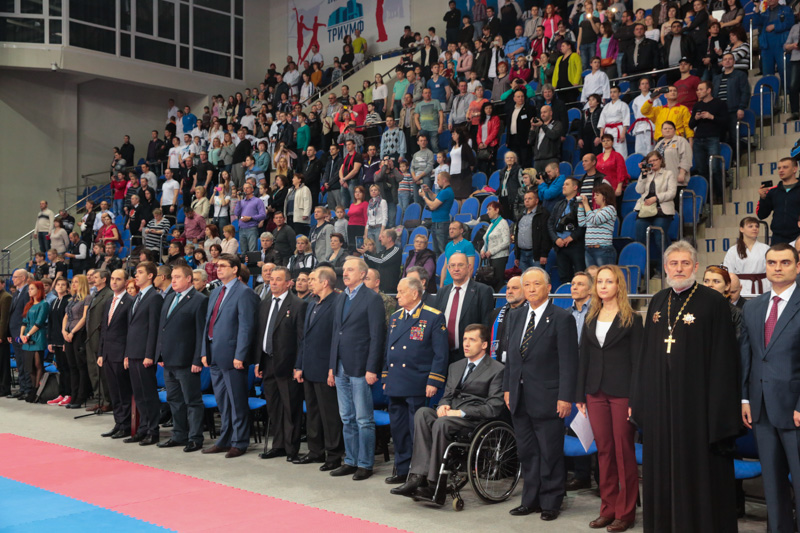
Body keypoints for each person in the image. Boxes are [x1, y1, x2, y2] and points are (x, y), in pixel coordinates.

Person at [631, 240, 740, 532]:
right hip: (661, 407)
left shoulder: (713, 302)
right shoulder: (658, 301)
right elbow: (645, 356)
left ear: (695, 266)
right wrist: (640, 399)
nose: (679, 269)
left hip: (698, 408)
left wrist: (718, 410)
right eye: (673, 264)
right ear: (666, 268)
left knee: (698, 472)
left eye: (685, 263)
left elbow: (725, 358)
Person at [392, 323, 506, 501]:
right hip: (451, 415)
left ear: (484, 344)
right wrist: (443, 406)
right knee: (423, 413)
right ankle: (418, 476)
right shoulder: (456, 366)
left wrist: (460, 412)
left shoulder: (497, 369)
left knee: (442, 422)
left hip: (474, 421)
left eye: (472, 340)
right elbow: (447, 396)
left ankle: (435, 483)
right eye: (465, 339)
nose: (466, 344)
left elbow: (493, 407)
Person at [503, 266, 578, 520]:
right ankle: (530, 500)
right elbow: (512, 358)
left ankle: (551, 502)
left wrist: (565, 396)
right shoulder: (515, 315)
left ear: (548, 287)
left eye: (537, 284)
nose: (531, 289)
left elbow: (569, 362)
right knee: (527, 452)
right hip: (519, 395)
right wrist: (507, 388)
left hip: (549, 397)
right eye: (527, 285)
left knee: (550, 452)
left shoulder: (562, 318)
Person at [574, 265, 642, 532]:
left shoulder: (632, 318)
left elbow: (638, 362)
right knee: (604, 451)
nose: (603, 286)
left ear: (618, 286)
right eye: (599, 281)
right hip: (595, 392)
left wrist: (635, 399)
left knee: (623, 451)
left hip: (622, 393)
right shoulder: (591, 317)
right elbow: (584, 357)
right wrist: (580, 394)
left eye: (608, 281)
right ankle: (608, 509)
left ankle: (626, 512)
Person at [740, 243, 800, 533]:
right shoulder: (753, 306)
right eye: (772, 263)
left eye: (785, 262)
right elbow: (747, 356)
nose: (777, 268)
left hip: (795, 410)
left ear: (797, 267)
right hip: (761, 408)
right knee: (773, 485)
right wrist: (744, 399)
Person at [382, 277, 449, 486]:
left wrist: (434, 381)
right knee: (399, 429)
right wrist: (385, 375)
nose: (397, 296)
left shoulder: (433, 316)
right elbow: (388, 349)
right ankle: (402, 469)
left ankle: (417, 473)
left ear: (414, 293)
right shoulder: (396, 317)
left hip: (417, 381)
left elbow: (440, 354)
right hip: (396, 381)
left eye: (401, 292)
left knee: (415, 431)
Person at [328, 257, 386, 480]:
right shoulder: (341, 297)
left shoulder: (372, 298)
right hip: (340, 366)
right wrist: (332, 366)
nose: (345, 273)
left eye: (350, 270)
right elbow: (336, 333)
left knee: (363, 419)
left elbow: (377, 336)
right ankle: (350, 460)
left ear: (363, 274)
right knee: (347, 417)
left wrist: (372, 368)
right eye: (344, 270)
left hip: (361, 367)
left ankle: (365, 463)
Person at [201, 254, 259, 457]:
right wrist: (204, 351)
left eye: (223, 266)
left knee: (237, 401)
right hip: (214, 353)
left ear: (235, 269)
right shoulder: (217, 291)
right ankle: (225, 439)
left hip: (233, 355)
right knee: (223, 402)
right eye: (217, 266)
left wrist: (240, 355)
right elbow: (208, 323)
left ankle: (240, 442)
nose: (219, 269)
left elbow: (246, 327)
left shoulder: (244, 293)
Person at [254, 267, 307, 462]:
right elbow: (261, 333)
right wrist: (258, 361)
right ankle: (278, 445)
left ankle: (292, 449)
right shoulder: (265, 302)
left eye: (278, 279)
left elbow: (301, 339)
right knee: (274, 407)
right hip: (267, 362)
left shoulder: (298, 305)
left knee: (290, 408)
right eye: (271, 279)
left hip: (288, 364)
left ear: (288, 283)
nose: (273, 282)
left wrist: (298, 365)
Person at [153, 265, 209, 451]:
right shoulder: (169, 297)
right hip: (168, 360)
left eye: (177, 277)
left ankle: (195, 438)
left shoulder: (199, 300)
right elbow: (163, 328)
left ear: (188, 279)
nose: (174, 280)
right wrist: (160, 353)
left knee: (192, 401)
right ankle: (179, 435)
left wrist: (197, 359)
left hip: (187, 360)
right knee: (174, 400)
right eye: (173, 277)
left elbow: (201, 332)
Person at [293, 267, 344, 469]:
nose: (309, 282)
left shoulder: (337, 303)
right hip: (309, 366)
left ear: (325, 282)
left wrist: (333, 368)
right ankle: (316, 451)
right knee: (313, 412)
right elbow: (304, 339)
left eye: (313, 279)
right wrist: (299, 365)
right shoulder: (312, 303)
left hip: (325, 368)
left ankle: (334, 454)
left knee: (329, 414)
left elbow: (336, 340)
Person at [122, 262, 164, 446]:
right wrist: (127, 353)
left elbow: (154, 329)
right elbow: (131, 329)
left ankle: (153, 430)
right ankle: (142, 428)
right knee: (138, 394)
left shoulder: (155, 297)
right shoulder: (136, 297)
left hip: (145, 354)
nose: (136, 275)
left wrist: (150, 354)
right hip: (133, 352)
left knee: (148, 394)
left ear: (150, 276)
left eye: (140, 272)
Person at [433, 252, 494, 363]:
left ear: (469, 267)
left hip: (470, 356)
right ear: (448, 268)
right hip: (443, 355)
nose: (456, 269)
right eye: (452, 265)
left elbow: (486, 325)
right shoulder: (442, 292)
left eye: (460, 265)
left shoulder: (483, 291)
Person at [96, 269, 132, 438]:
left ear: (126, 282)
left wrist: (127, 354)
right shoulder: (109, 301)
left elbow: (130, 331)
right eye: (112, 279)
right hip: (108, 353)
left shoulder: (130, 301)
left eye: (118, 279)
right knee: (114, 392)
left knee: (123, 391)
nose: (114, 282)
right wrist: (101, 353)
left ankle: (126, 425)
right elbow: (104, 329)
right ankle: (118, 423)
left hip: (121, 353)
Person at [634, 151, 676, 269]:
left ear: (660, 160)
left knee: (659, 236)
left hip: (662, 210)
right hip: (645, 210)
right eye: (650, 161)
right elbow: (639, 190)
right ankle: (644, 267)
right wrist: (643, 175)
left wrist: (656, 198)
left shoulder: (668, 174)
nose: (652, 163)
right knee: (640, 235)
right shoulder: (646, 173)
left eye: (655, 160)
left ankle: (663, 267)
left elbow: (672, 193)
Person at [689, 81, 728, 198]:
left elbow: (725, 121)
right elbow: (691, 125)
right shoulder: (697, 105)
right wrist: (696, 118)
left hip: (712, 138)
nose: (698, 92)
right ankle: (707, 197)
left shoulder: (719, 103)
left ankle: (721, 195)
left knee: (715, 168)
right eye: (697, 90)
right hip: (698, 140)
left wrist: (711, 117)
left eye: (701, 89)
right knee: (701, 169)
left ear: (709, 90)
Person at [85, 270, 113, 413]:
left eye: (96, 277)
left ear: (104, 279)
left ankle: (107, 401)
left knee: (102, 373)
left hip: (100, 337)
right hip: (91, 337)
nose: (93, 279)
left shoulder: (108, 294)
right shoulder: (95, 294)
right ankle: (98, 399)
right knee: (93, 371)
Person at [549, 177, 587, 282]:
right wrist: (556, 239)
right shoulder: (559, 204)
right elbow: (550, 223)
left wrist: (571, 237)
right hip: (560, 246)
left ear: (575, 187)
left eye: (567, 184)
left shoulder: (581, 203)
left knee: (580, 275)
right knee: (564, 277)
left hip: (576, 245)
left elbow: (584, 224)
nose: (563, 186)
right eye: (563, 184)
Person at [723, 216, 771, 296]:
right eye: (750, 226)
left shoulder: (766, 248)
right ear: (741, 229)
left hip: (763, 286)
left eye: (757, 226)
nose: (755, 228)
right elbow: (728, 273)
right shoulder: (733, 250)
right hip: (741, 286)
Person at [61, 275, 90, 408]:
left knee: (80, 366)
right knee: (72, 366)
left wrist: (72, 332)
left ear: (82, 283)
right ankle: (73, 395)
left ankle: (81, 396)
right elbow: (66, 316)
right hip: (68, 334)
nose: (73, 284)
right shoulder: (72, 299)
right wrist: (64, 331)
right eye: (72, 282)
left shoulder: (87, 298)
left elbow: (84, 317)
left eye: (77, 282)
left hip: (79, 334)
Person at [757, 157, 800, 244]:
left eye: (785, 167)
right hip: (778, 238)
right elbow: (761, 215)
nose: (781, 170)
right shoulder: (772, 191)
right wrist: (763, 198)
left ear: (795, 169)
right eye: (779, 168)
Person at [19, 281, 49, 402]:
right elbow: (24, 321)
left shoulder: (44, 304)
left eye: (32, 289)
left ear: (39, 290)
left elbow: (39, 322)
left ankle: (37, 390)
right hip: (27, 337)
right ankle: (32, 388)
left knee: (38, 364)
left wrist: (27, 334)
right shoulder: (29, 304)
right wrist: (21, 335)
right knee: (30, 366)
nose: (29, 291)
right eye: (29, 289)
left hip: (38, 336)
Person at [578, 183, 618, 267]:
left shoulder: (610, 209)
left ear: (605, 196)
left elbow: (595, 220)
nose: (594, 197)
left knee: (605, 273)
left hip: (603, 249)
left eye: (597, 195)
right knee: (591, 274)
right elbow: (582, 223)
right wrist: (581, 206)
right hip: (589, 248)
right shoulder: (595, 211)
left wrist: (586, 204)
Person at [703, 265, 744, 341]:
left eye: (716, 281)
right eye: (706, 281)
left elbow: (738, 342)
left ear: (727, 286)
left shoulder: (736, 314)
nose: (710, 285)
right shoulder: (695, 308)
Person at [421, 172, 456, 255]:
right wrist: (429, 191)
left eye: (438, 180)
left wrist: (424, 196)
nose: (437, 182)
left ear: (444, 180)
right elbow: (436, 198)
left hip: (441, 224)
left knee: (442, 250)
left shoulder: (446, 192)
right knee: (436, 251)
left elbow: (433, 206)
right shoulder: (445, 191)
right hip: (437, 223)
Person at [480, 201, 511, 291]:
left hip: (499, 257)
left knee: (497, 282)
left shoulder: (503, 223)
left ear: (496, 210)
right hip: (489, 257)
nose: (487, 212)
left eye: (489, 209)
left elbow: (506, 242)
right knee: (490, 282)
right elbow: (487, 240)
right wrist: (482, 250)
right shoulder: (492, 224)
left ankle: (498, 298)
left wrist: (491, 251)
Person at [361, 229, 402, 294]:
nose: (380, 239)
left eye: (383, 237)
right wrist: (365, 254)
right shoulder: (382, 251)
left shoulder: (395, 250)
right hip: (379, 287)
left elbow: (382, 261)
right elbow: (372, 265)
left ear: (389, 239)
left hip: (389, 289)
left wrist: (367, 253)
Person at [654, 121, 693, 187]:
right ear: (662, 131)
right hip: (661, 180)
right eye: (665, 129)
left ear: (674, 130)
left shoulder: (681, 141)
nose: (667, 130)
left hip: (676, 179)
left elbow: (686, 158)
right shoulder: (659, 144)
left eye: (670, 128)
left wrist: (682, 173)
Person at [529, 105, 564, 174]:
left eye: (545, 112)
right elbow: (531, 141)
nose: (542, 114)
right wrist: (532, 128)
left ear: (550, 113)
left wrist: (542, 125)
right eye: (541, 112)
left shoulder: (557, 124)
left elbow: (553, 135)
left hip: (551, 159)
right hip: (538, 160)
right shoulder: (538, 127)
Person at [234, 183, 267, 254]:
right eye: (244, 188)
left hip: (252, 228)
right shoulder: (241, 201)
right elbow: (236, 213)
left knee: (252, 251)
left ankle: (252, 262)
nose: (245, 190)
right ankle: (244, 261)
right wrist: (239, 200)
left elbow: (263, 215)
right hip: (242, 228)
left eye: (247, 188)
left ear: (252, 189)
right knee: (243, 252)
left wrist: (251, 218)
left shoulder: (258, 201)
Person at [598, 86, 630, 158]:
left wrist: (623, 133)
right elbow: (602, 121)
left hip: (618, 132)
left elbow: (626, 120)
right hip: (607, 132)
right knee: (606, 152)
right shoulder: (606, 106)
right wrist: (601, 134)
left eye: (614, 92)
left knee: (620, 152)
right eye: (611, 92)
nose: (612, 94)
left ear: (619, 93)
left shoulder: (623, 105)